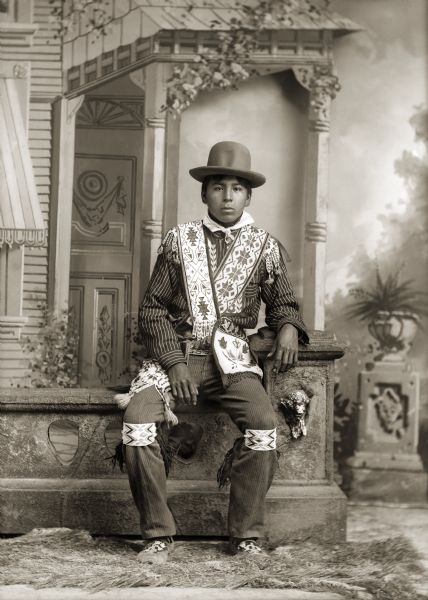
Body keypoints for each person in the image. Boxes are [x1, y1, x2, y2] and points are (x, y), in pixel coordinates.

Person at [117, 141, 309, 563]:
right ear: (204, 193)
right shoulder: (178, 240)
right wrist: (173, 363)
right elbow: (151, 309)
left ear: (248, 195)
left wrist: (289, 327)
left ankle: (245, 536)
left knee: (262, 427)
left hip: (234, 361)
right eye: (218, 187)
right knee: (137, 423)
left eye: (236, 188)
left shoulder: (265, 247)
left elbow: (282, 303)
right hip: (177, 357)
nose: (227, 196)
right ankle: (157, 534)